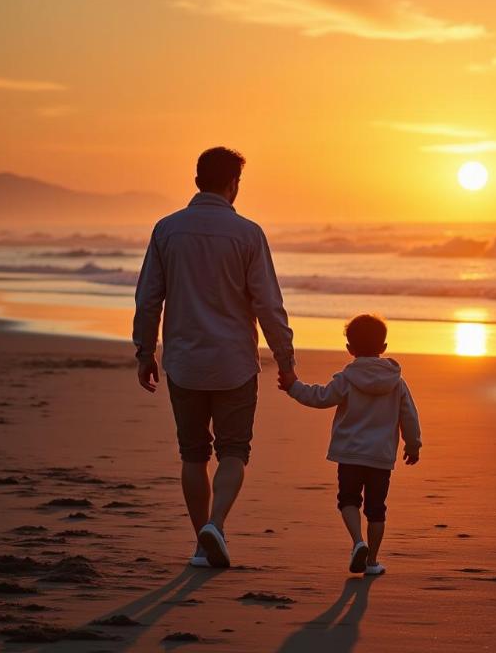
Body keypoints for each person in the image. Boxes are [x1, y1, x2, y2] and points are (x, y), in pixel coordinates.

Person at [133, 146, 296, 568]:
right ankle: (216, 526)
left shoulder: (167, 230)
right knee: (233, 451)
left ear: (196, 181)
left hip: (184, 362)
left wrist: (144, 350)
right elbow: (268, 304)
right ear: (232, 184)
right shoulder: (247, 234)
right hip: (234, 364)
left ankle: (200, 541)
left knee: (192, 454)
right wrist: (285, 356)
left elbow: (149, 297)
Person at [278, 314, 421, 575]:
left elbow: (320, 397)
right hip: (380, 456)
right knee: (377, 509)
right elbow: (409, 415)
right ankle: (372, 561)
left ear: (349, 349)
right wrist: (413, 444)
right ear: (384, 347)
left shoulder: (347, 379)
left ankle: (358, 542)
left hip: (350, 454)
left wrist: (293, 387)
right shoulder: (397, 382)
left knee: (348, 500)